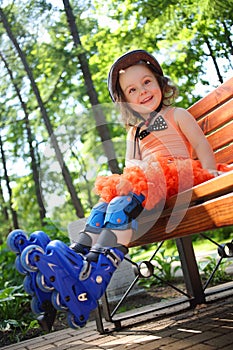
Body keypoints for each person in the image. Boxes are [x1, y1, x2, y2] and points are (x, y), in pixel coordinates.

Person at [9, 49, 230, 328]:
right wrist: (124, 187)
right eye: (133, 90)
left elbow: (199, 145)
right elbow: (131, 169)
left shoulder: (177, 114)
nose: (143, 92)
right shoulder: (135, 132)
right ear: (127, 102)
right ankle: (76, 259)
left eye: (147, 82)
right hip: (147, 190)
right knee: (107, 204)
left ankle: (94, 274)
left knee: (125, 200)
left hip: (176, 180)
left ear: (160, 82)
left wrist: (209, 172)